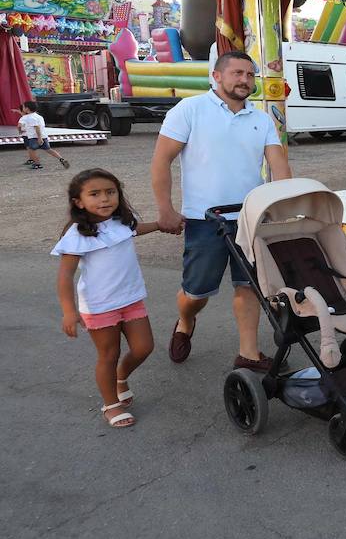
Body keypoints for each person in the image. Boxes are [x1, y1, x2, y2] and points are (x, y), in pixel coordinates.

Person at [151, 50, 291, 371]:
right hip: (204, 220)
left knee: (250, 286)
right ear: (217, 76)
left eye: (250, 75)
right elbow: (161, 161)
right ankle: (186, 321)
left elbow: (279, 166)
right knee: (196, 293)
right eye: (237, 73)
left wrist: (285, 209)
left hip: (250, 219)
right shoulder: (189, 110)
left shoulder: (261, 119)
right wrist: (166, 209)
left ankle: (249, 354)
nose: (245, 80)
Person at [53, 169, 163, 428]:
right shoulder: (77, 235)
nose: (104, 199)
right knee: (108, 355)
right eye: (95, 194)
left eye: (110, 192)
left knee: (143, 348)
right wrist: (69, 311)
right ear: (78, 202)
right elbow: (65, 277)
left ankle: (121, 376)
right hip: (100, 306)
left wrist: (160, 225)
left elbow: (135, 231)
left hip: (131, 298)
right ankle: (111, 405)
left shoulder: (123, 222)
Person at [17, 100, 71, 171]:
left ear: (27, 109)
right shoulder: (39, 116)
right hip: (44, 136)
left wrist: (39, 138)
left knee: (31, 150)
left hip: (34, 137)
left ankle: (37, 164)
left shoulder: (29, 117)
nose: (23, 109)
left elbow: (37, 127)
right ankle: (61, 159)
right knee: (49, 149)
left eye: (23, 107)